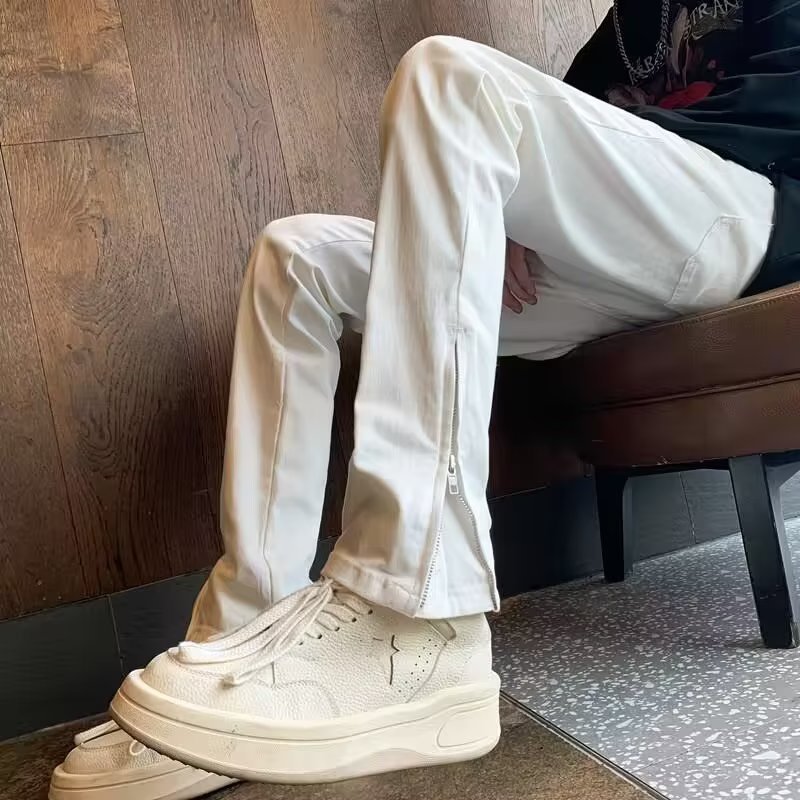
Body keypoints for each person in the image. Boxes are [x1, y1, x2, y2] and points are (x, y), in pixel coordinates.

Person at [50, 0, 798, 796]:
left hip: (748, 221)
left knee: (452, 78)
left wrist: (537, 200)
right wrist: (523, 208)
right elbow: (569, 139)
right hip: (622, 266)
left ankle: (417, 610)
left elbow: (766, 121)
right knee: (296, 255)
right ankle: (245, 634)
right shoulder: (627, 26)